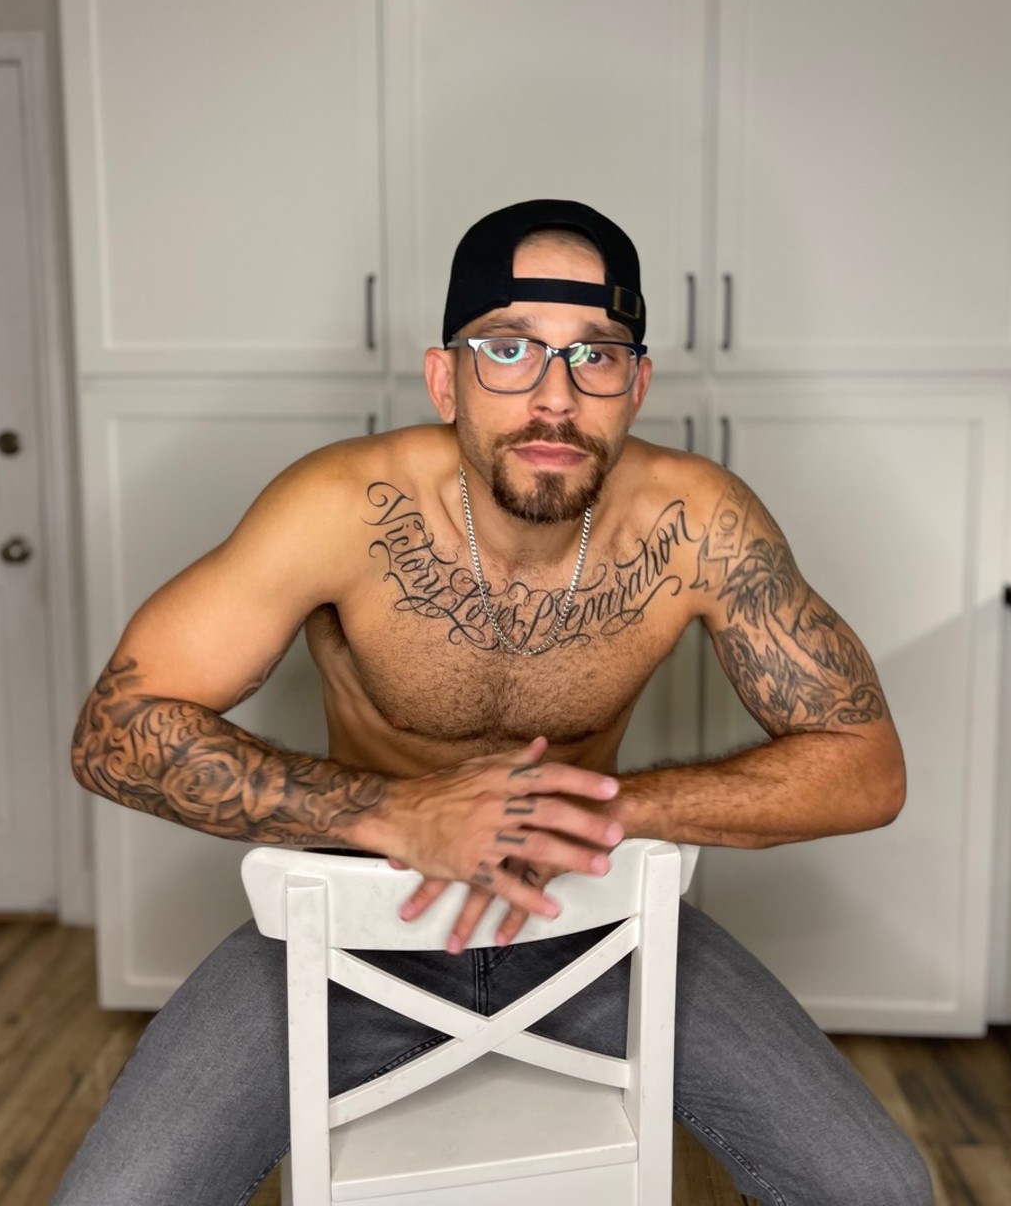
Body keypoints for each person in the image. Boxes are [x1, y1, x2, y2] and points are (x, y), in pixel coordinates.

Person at [53, 200, 933, 1205]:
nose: (555, 398)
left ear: (637, 386)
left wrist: (602, 810)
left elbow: (866, 766)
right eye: (508, 350)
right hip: (350, 924)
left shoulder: (696, 520)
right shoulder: (340, 506)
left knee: (879, 1190)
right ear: (446, 380)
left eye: (596, 356)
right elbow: (114, 728)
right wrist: (392, 812)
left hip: (596, 921)